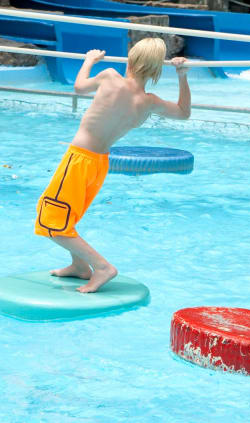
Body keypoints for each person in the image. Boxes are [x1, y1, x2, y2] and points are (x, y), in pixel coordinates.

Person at [35, 38, 190, 293]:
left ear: (132, 60)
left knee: (50, 221)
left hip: (79, 158)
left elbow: (79, 87)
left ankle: (102, 267)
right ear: (154, 71)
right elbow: (184, 112)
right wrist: (182, 76)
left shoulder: (109, 76)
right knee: (68, 215)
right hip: (100, 164)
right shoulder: (149, 102)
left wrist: (89, 60)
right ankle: (80, 266)